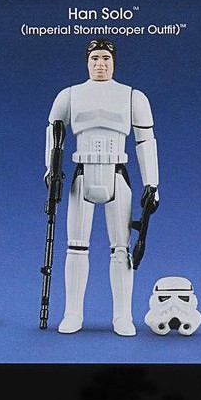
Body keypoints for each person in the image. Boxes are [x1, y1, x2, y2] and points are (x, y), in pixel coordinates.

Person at [46, 38, 158, 337]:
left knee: (121, 249)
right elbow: (54, 135)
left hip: (117, 174)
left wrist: (152, 183)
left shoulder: (132, 97)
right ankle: (72, 313)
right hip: (82, 174)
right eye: (95, 58)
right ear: (87, 61)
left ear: (114, 61)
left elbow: (145, 141)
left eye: (105, 58)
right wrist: (51, 172)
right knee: (76, 247)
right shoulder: (69, 96)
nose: (100, 64)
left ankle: (122, 316)